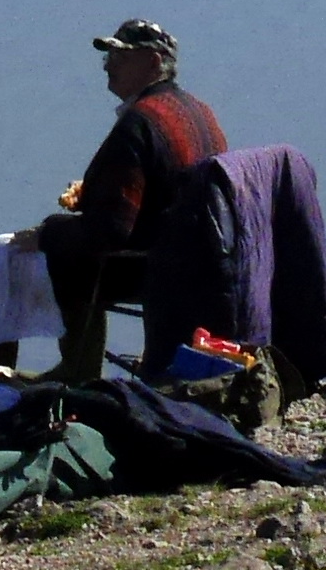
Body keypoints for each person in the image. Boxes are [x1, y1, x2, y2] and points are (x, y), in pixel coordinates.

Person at [27, 20, 228, 383]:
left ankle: (72, 371)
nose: (108, 64)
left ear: (153, 62)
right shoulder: (200, 113)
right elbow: (164, 182)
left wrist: (46, 233)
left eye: (120, 56)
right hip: (204, 257)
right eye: (109, 55)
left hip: (155, 263)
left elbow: (110, 231)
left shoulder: (140, 123)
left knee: (35, 256)